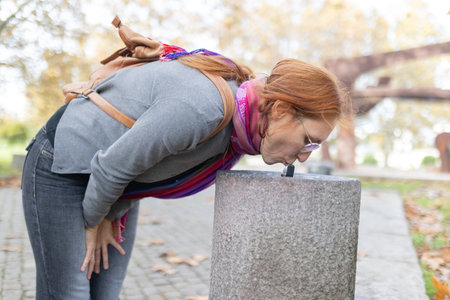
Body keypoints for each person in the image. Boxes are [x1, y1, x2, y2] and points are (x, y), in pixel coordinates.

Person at [22, 48, 347, 299]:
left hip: (112, 188)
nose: (303, 157)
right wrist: (94, 221)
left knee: (105, 295)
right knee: (69, 294)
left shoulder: (236, 137)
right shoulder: (206, 108)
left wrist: (110, 211)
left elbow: (141, 169)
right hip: (62, 164)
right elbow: (114, 165)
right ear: (279, 110)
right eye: (308, 140)